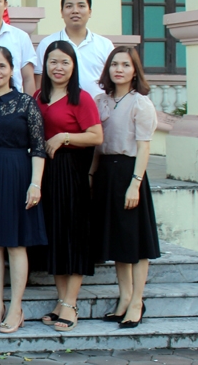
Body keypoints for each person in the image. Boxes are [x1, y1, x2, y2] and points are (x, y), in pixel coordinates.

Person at [0, 47, 47, 334]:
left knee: (16, 243)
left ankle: (16, 305)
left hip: (18, 174)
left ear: (12, 69)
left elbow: (38, 146)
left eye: (1, 66)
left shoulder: (27, 103)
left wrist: (35, 183)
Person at [33, 40, 103, 332]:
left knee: (73, 237)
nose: (58, 68)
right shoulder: (38, 96)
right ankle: (61, 301)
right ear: (45, 65)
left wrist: (64, 137)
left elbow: (97, 136)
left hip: (71, 173)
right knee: (57, 238)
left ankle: (71, 304)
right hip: (45, 175)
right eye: (52, 62)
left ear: (73, 66)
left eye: (64, 62)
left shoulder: (82, 99)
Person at [91, 46, 160, 329]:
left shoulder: (140, 103)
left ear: (134, 71)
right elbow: (97, 143)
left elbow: (144, 146)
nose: (119, 69)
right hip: (106, 172)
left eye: (125, 65)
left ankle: (137, 301)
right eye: (114, 64)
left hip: (130, 172)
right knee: (118, 241)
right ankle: (124, 297)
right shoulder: (100, 101)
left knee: (136, 242)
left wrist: (136, 183)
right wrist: (92, 174)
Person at [35, 0, 115, 97]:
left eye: (81, 6)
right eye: (69, 6)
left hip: (99, 110)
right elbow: (40, 81)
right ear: (62, 12)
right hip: (59, 111)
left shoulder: (105, 45)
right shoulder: (47, 44)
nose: (75, 11)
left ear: (90, 12)